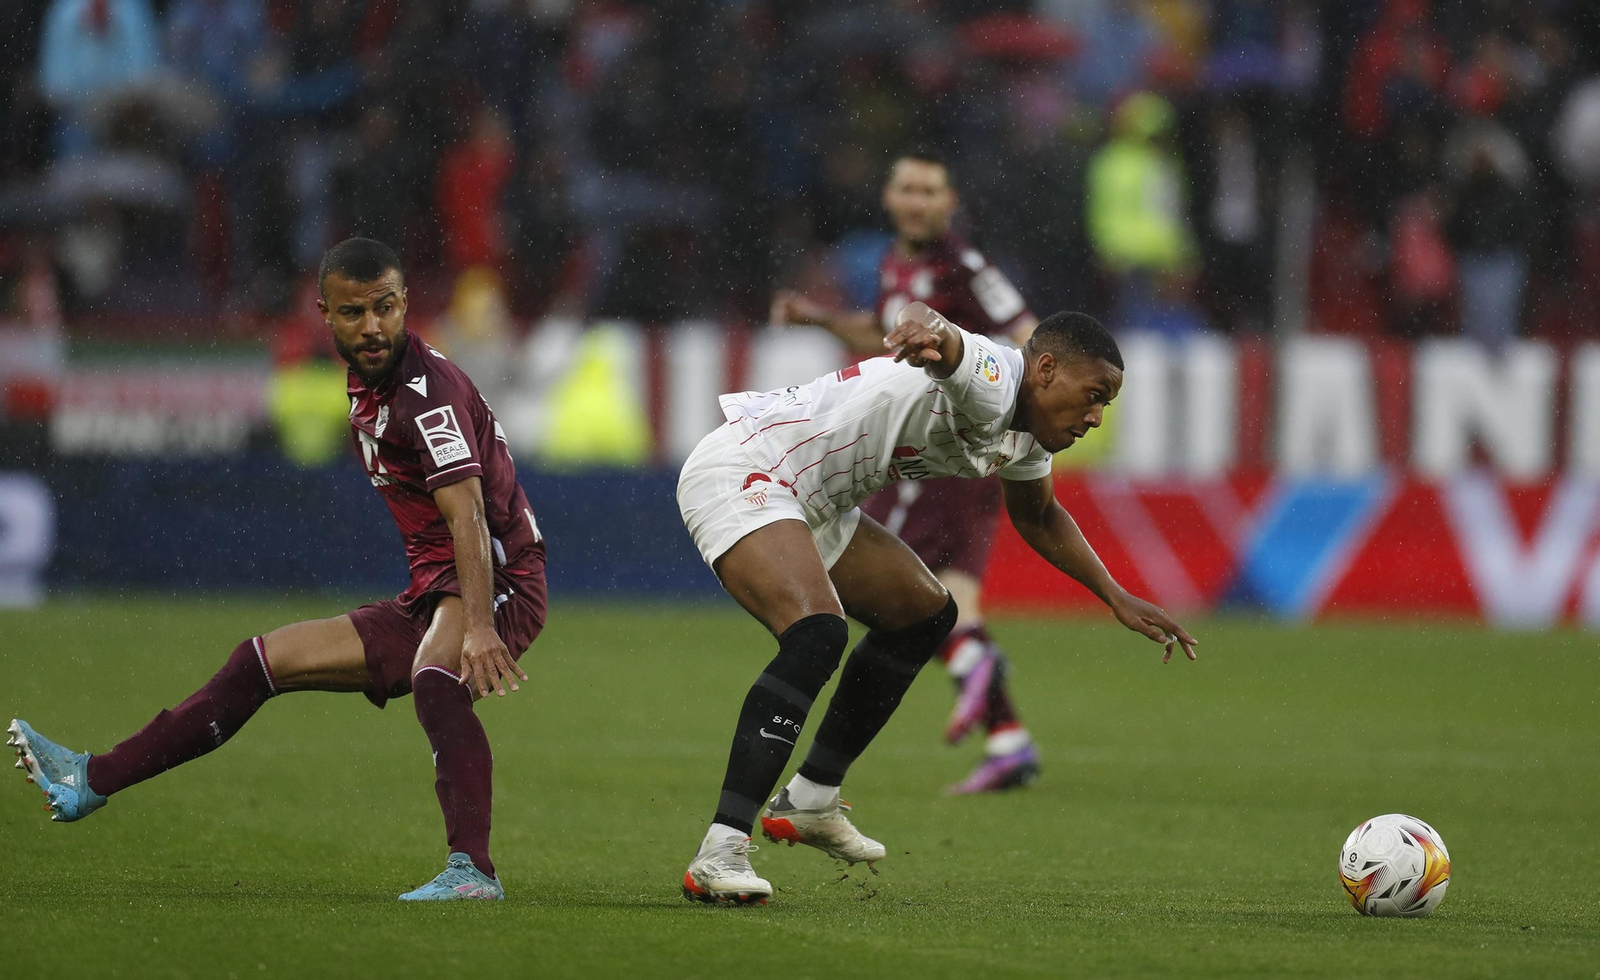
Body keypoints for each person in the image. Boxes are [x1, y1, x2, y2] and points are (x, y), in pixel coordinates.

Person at [7, 238, 546, 901]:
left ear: (406, 302)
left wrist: (481, 629)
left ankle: (474, 873)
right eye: (353, 313)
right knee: (260, 661)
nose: (372, 327)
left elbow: (467, 515)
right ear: (326, 314)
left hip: (495, 582)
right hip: (433, 591)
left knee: (438, 679)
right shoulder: (366, 377)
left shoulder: (425, 395)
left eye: (384, 308)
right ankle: (91, 779)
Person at [677, 301, 1197, 904]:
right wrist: (925, 326)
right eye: (1095, 393)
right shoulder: (998, 378)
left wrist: (1116, 596)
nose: (1098, 416)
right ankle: (720, 852)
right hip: (747, 469)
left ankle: (813, 798)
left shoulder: (1028, 433)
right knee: (818, 633)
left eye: (1107, 402)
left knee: (927, 615)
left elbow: (1040, 515)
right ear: (1047, 368)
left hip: (815, 498)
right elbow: (948, 339)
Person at [771, 149, 1046, 794]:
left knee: (888, 591)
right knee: (947, 591)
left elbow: (1031, 339)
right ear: (890, 199)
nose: (918, 201)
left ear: (951, 204)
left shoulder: (967, 268)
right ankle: (1008, 739)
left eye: (930, 190)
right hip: (940, 451)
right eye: (907, 189)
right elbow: (880, 333)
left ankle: (972, 657)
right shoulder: (896, 264)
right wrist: (817, 317)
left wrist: (993, 400)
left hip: (947, 451)